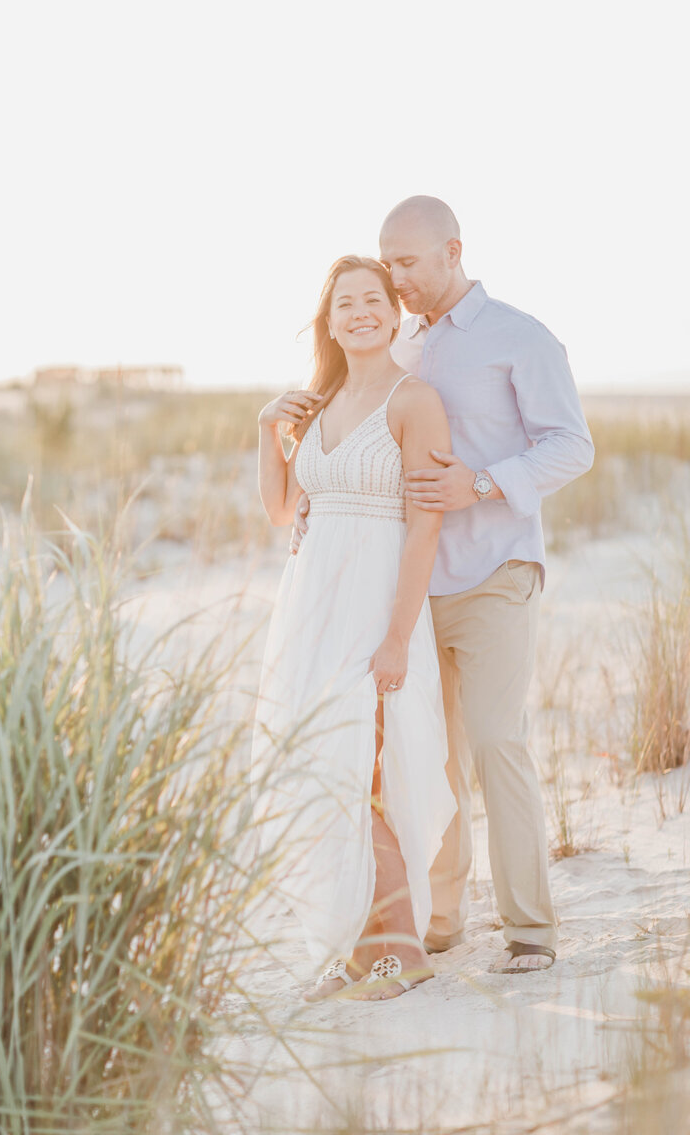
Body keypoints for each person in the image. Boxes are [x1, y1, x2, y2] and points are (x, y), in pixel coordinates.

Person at [293, 198, 594, 973]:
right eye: (386, 263)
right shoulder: (408, 347)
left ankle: (529, 928)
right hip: (413, 582)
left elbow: (573, 447)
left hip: (495, 571)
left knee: (496, 741)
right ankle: (443, 918)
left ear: (452, 250)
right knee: (434, 753)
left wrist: (486, 485)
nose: (394, 279)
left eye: (406, 263)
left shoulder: (519, 337)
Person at [253, 255, 456, 1001]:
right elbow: (282, 512)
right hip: (311, 608)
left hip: (377, 606)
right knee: (324, 772)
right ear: (329, 320)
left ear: (393, 315)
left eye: (374, 299)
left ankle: (402, 956)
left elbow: (425, 529)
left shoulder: (415, 400)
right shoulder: (321, 399)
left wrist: (399, 637)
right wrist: (268, 427)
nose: (362, 312)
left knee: (369, 767)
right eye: (347, 303)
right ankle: (356, 949)